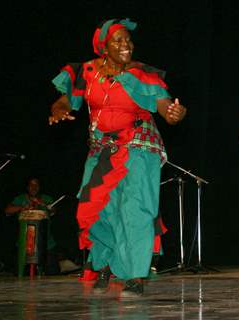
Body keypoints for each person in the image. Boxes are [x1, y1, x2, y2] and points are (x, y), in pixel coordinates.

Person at [48, 18, 186, 297]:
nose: (126, 45)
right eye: (118, 40)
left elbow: (162, 104)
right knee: (95, 209)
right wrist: (59, 109)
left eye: (128, 40)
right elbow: (65, 99)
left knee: (135, 209)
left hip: (139, 145)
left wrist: (173, 113)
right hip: (102, 150)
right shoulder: (85, 72)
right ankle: (104, 264)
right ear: (103, 47)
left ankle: (134, 275)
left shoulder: (143, 74)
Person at [4, 177, 58, 274]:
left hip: (46, 242)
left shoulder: (46, 198)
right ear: (27, 187)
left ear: (39, 187)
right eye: (31, 185)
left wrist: (43, 204)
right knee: (20, 272)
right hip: (25, 241)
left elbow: (54, 210)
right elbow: (7, 210)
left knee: (52, 271)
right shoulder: (21, 199)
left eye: (36, 185)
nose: (34, 187)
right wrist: (22, 207)